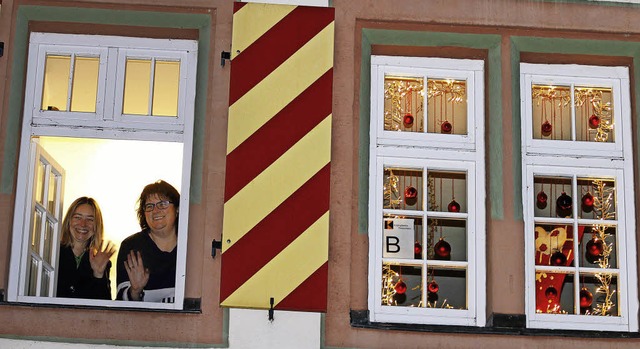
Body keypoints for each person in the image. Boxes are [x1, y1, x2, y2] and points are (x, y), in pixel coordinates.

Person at [116, 180, 179, 302]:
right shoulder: (131, 246)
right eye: (149, 206)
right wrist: (135, 290)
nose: (155, 211)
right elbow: (121, 303)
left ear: (177, 209)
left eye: (162, 204)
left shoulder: (192, 244)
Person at [57, 197, 115, 299]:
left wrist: (99, 274)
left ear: (96, 226)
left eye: (90, 219)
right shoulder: (52, 253)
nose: (83, 224)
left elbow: (104, 307)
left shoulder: (100, 260)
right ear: (68, 221)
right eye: (77, 217)